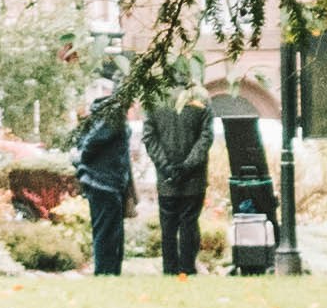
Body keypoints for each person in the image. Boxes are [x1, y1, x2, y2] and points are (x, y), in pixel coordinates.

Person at [139, 57, 218, 280]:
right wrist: (187, 166)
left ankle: (169, 269)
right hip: (193, 177)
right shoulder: (200, 97)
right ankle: (187, 268)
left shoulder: (154, 97)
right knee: (189, 223)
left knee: (168, 225)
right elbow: (205, 138)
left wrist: (165, 167)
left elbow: (149, 137)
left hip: (166, 179)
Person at [71, 74, 139, 279]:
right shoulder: (114, 113)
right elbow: (94, 140)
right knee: (106, 232)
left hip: (107, 181)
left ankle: (110, 273)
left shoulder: (112, 111)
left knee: (111, 232)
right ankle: (105, 273)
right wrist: (82, 158)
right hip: (103, 182)